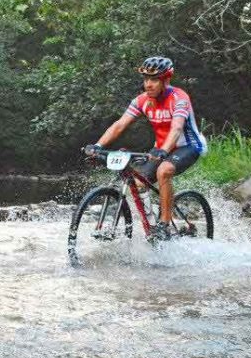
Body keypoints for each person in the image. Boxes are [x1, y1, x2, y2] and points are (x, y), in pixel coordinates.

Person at [88, 56, 207, 240]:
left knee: (164, 170)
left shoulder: (179, 98)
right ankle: (151, 226)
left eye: (154, 79)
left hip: (187, 146)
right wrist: (98, 145)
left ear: (166, 80)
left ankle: (165, 224)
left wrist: (163, 152)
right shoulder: (142, 100)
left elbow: (176, 129)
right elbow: (119, 125)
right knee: (138, 182)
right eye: (145, 80)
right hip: (161, 147)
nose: (148, 84)